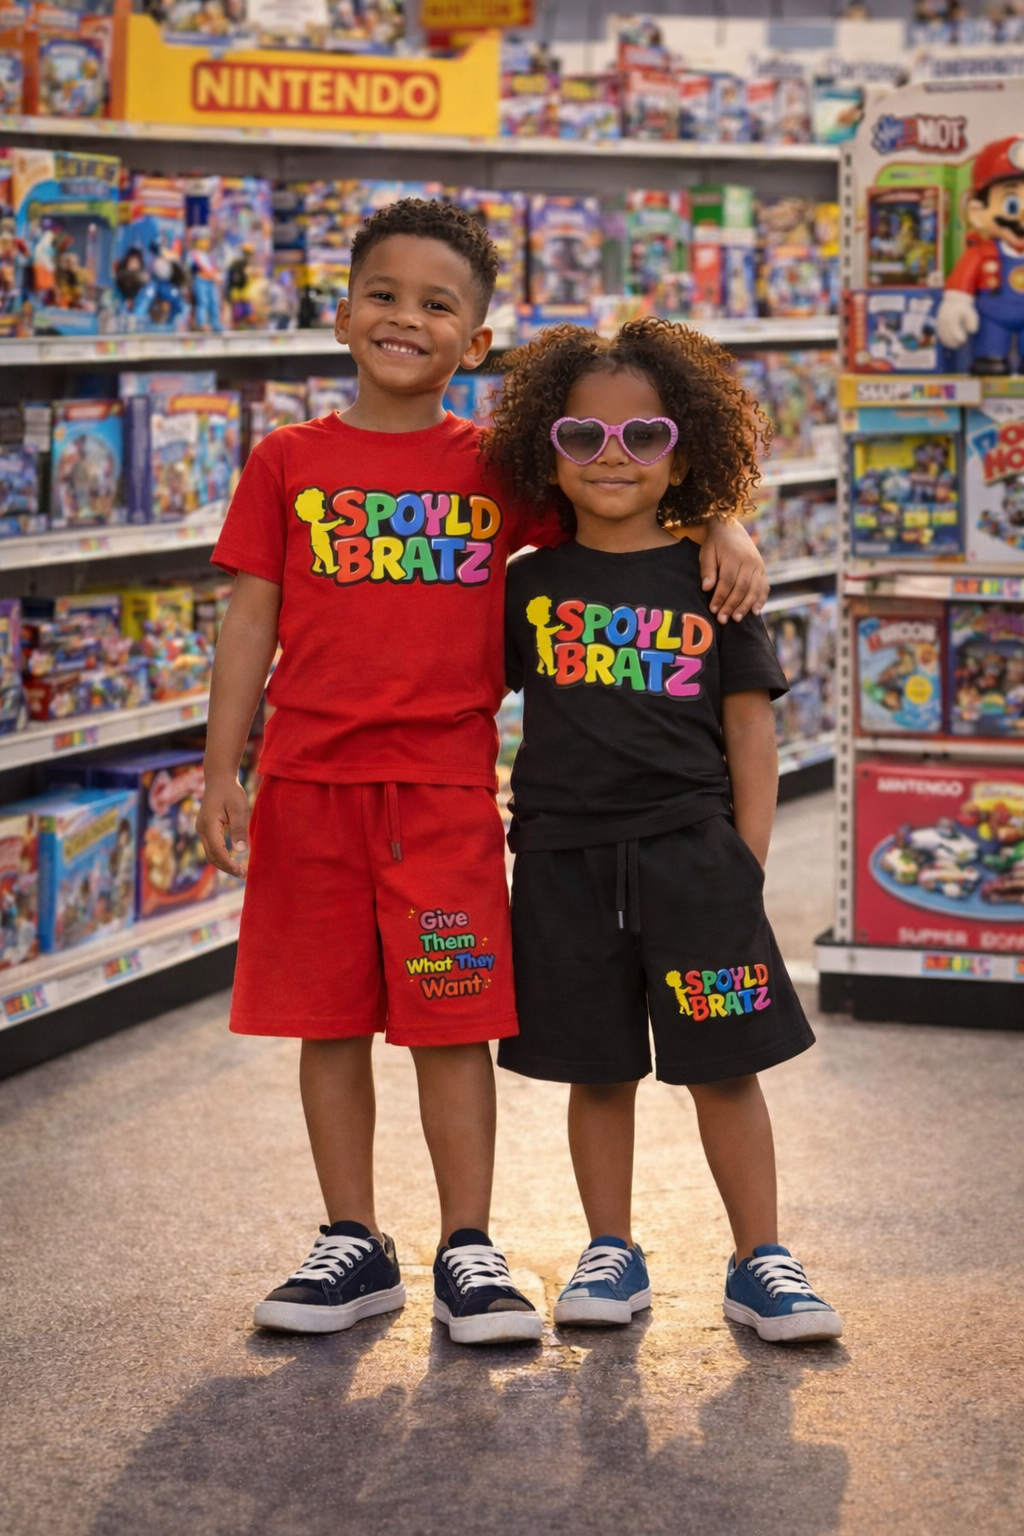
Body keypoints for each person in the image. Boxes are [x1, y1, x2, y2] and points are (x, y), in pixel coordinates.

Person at [195, 202, 769, 1347]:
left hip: (447, 795)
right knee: (328, 1020)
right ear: (344, 306)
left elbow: (621, 493)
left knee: (451, 1022)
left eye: (437, 304)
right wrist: (224, 764)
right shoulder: (285, 460)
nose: (404, 318)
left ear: (477, 338)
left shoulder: (496, 463)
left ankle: (469, 1243)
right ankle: (350, 1239)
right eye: (384, 294)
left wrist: (725, 520)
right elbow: (251, 613)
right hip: (307, 785)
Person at [485, 317, 842, 1344]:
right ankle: (610, 1246)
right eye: (582, 437)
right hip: (561, 862)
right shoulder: (526, 582)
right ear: (544, 452)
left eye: (642, 437)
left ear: (681, 450)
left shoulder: (715, 577)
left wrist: (746, 863)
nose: (611, 457)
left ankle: (759, 1258)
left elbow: (751, 733)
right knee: (596, 1069)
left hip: (694, 863)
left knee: (727, 1064)